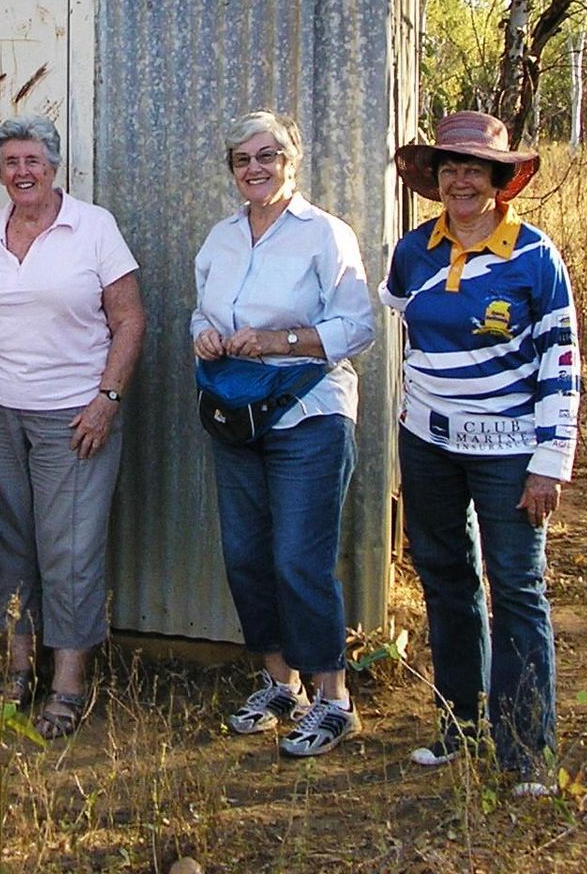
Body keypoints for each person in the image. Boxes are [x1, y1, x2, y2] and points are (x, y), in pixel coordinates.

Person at [381, 111, 580, 795]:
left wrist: (552, 460)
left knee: (518, 589)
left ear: (500, 181)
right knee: (445, 579)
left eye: (475, 169)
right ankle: (459, 725)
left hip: (509, 451)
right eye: (450, 168)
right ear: (435, 180)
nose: (461, 180)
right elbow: (407, 332)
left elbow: (561, 360)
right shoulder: (413, 253)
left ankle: (527, 749)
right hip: (429, 445)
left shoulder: (534, 255)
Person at [0, 116, 144, 740]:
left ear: (54, 167)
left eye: (32, 160)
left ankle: (69, 682)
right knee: (8, 543)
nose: (21, 172)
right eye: (10, 162)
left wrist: (107, 399)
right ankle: (18, 671)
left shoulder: (94, 228)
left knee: (70, 550)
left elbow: (130, 320)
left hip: (72, 416)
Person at [191, 110, 375, 758]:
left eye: (267, 156)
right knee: (246, 555)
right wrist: (205, 336)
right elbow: (198, 311)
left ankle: (334, 699)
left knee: (300, 557)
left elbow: (357, 326)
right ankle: (281, 685)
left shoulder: (325, 235)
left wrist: (279, 341)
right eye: (243, 159)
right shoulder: (220, 239)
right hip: (236, 411)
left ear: (291, 161)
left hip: (308, 412)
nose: (255, 169)